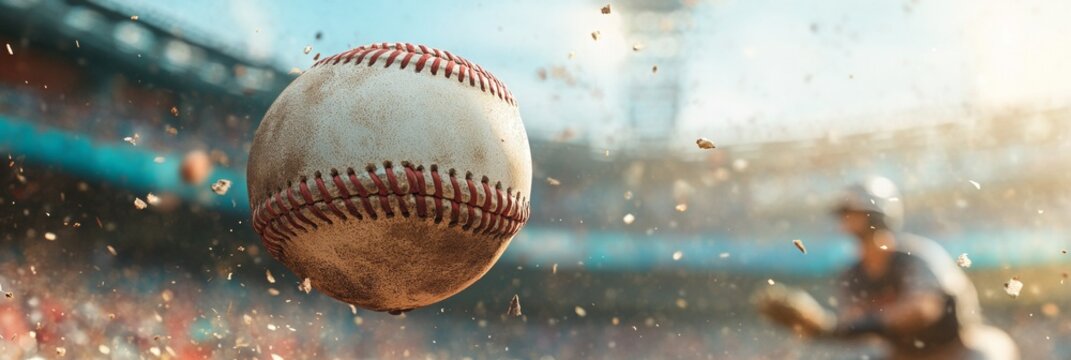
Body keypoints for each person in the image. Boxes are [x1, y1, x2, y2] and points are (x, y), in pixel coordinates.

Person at [755, 176, 1018, 360]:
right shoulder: (852, 274)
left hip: (959, 352)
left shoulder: (916, 256)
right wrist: (818, 326)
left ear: (876, 213)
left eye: (852, 211)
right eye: (844, 214)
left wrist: (848, 325)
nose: (845, 219)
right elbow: (855, 326)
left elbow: (923, 309)